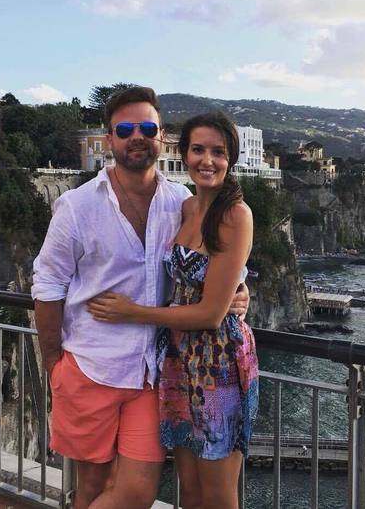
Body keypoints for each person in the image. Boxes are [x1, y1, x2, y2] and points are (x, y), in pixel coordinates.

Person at [32, 87, 249, 509]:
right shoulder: (77, 206)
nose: (137, 136)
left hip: (152, 373)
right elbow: (48, 284)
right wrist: (53, 363)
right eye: (125, 129)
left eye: (147, 128)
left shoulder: (181, 203)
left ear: (161, 137)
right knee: (91, 487)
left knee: (138, 492)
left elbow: (224, 265)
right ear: (109, 139)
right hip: (89, 367)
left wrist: (242, 292)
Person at [87, 111, 259, 509]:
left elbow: (210, 315)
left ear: (231, 158)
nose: (207, 160)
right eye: (198, 149)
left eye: (218, 152)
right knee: (191, 491)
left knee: (218, 496)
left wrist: (133, 312)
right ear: (184, 154)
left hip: (218, 362)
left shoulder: (236, 215)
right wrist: (240, 285)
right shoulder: (186, 206)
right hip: (179, 360)